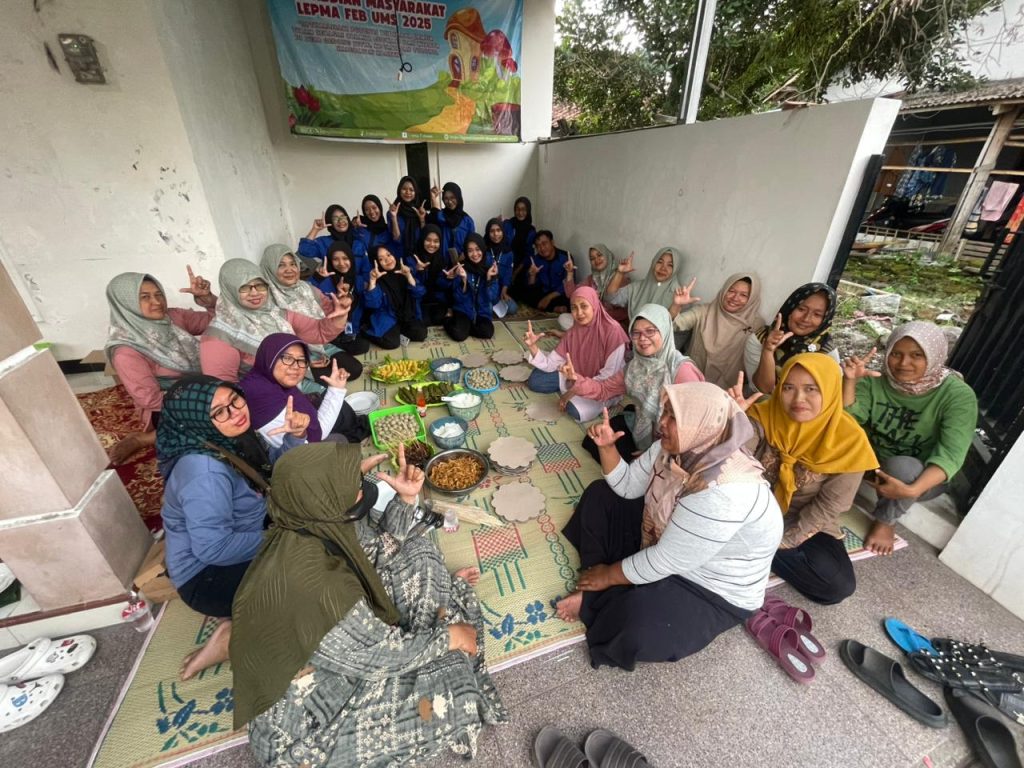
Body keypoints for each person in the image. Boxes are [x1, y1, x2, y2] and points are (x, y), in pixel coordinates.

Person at [231, 443, 508, 766]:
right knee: (453, 689)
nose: (361, 488)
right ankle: (437, 630)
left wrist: (406, 499)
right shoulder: (314, 590)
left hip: (348, 647)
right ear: (323, 499)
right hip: (310, 722)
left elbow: (376, 553)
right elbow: (381, 656)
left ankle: (431, 627)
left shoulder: (307, 523)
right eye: (347, 484)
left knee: (419, 552)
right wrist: (449, 638)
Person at [555, 385, 782, 671]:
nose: (662, 422)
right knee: (600, 496)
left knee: (636, 625)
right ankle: (602, 588)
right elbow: (628, 487)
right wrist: (607, 448)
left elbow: (666, 560)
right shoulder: (671, 447)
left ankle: (596, 592)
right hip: (666, 539)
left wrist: (608, 576)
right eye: (665, 411)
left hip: (709, 585)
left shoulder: (724, 491)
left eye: (674, 417)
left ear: (703, 424)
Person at [157, 375, 307, 680]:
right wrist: (283, 538)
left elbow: (272, 473)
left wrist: (295, 437)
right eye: (218, 412)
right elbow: (213, 548)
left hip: (247, 531)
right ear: (197, 421)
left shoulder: (230, 438)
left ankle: (239, 625)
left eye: (234, 400)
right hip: (206, 576)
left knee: (318, 518)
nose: (235, 412)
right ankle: (236, 641)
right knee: (314, 572)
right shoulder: (205, 472)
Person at [731, 354, 879, 605]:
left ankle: (748, 548)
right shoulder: (764, 414)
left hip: (801, 520)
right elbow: (733, 467)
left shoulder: (850, 441)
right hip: (750, 508)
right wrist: (734, 423)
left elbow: (828, 506)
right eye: (788, 388)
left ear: (830, 390)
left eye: (811, 389)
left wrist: (783, 541)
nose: (798, 399)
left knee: (837, 586)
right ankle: (745, 545)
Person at [843, 321, 978, 555]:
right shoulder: (875, 380)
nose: (903, 363)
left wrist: (912, 490)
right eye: (896, 354)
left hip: (917, 477)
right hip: (872, 463)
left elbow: (950, 455)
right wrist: (850, 381)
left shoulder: (957, 395)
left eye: (917, 355)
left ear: (935, 356)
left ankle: (885, 520)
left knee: (902, 467)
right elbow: (846, 421)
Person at [103, 268, 216, 464]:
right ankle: (145, 438)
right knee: (223, 418)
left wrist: (208, 299)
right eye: (145, 297)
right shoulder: (126, 351)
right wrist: (204, 400)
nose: (156, 302)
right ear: (126, 303)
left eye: (158, 295)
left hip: (203, 386)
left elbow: (218, 322)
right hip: (170, 405)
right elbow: (150, 399)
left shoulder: (173, 318)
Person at [576, 305, 705, 459]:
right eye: (636, 333)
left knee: (630, 461)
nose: (642, 338)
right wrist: (576, 380)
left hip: (673, 438)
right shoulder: (635, 365)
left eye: (650, 331)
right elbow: (605, 389)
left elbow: (692, 425)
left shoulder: (681, 370)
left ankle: (642, 462)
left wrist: (655, 452)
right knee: (594, 440)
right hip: (642, 423)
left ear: (664, 331)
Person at [200, 259, 350, 383]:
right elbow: (223, 389)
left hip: (297, 377)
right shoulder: (218, 335)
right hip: (265, 396)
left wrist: (339, 316)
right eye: (244, 287)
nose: (255, 292)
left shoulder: (276, 313)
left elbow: (317, 331)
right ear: (230, 290)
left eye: (260, 285)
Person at [240, 334, 369, 447]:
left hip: (302, 446)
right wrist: (336, 391)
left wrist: (336, 388)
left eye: (302, 360)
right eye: (287, 358)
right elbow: (311, 442)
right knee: (340, 439)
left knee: (343, 419)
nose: (296, 366)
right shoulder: (259, 393)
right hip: (293, 459)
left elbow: (317, 430)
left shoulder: (271, 381)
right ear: (269, 357)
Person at [522, 287, 629, 422]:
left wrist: (571, 392)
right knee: (535, 380)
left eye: (584, 306)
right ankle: (572, 387)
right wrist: (532, 346)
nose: (579, 313)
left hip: (602, 387)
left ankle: (610, 401)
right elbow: (551, 363)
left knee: (573, 409)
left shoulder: (613, 332)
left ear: (594, 305)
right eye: (574, 308)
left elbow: (607, 377)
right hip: (576, 375)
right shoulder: (575, 330)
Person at [260, 244, 363, 381]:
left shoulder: (305, 287)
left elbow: (328, 308)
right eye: (281, 265)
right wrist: (303, 360)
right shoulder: (267, 299)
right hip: (292, 354)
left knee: (354, 369)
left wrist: (340, 301)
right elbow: (271, 342)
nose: (289, 269)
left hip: (320, 343)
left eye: (293, 264)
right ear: (270, 268)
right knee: (328, 382)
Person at [672, 273, 764, 388]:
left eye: (744, 295)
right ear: (724, 290)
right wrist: (676, 305)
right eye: (731, 291)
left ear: (752, 299)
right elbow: (674, 325)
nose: (735, 298)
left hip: (726, 391)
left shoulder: (756, 325)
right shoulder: (704, 311)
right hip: (688, 379)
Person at [746, 282, 839, 395]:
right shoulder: (760, 338)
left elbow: (829, 395)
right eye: (801, 309)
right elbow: (762, 390)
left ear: (825, 319)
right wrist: (767, 351)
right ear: (790, 308)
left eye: (817, 314)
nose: (806, 319)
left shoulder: (827, 350)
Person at [306, 240, 372, 357]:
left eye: (345, 258)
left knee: (363, 345)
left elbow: (370, 302)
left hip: (351, 329)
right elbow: (305, 294)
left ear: (351, 259)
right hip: (329, 328)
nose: (341, 263)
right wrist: (317, 278)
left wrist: (350, 295)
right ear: (330, 260)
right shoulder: (323, 279)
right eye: (335, 259)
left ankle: (338, 346)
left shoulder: (358, 280)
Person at [362, 245, 428, 349]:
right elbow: (373, 304)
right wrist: (373, 281)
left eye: (388, 255)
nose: (387, 260)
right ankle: (365, 331)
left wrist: (408, 276)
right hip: (388, 316)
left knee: (421, 333)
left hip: (407, 315)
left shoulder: (403, 271)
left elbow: (420, 293)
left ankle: (398, 331)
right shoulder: (377, 279)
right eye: (381, 259)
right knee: (392, 343)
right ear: (376, 263)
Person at [442, 233, 500, 341]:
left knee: (487, 332)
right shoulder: (461, 268)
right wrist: (464, 281)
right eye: (470, 251)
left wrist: (489, 279)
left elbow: (492, 298)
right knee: (459, 335)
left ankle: (466, 328)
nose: (475, 254)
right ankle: (448, 319)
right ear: (466, 252)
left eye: (477, 249)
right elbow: (458, 298)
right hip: (464, 310)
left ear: (483, 248)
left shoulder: (491, 267)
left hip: (482, 312)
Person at [605, 247, 688, 321]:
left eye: (670, 265)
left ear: (675, 270)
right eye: (660, 262)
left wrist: (675, 306)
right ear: (653, 263)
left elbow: (671, 326)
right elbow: (611, 298)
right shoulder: (638, 287)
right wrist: (620, 273)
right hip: (633, 332)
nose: (663, 268)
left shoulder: (678, 295)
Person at [564, 244, 629, 326]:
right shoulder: (591, 279)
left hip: (612, 323)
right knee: (564, 318)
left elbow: (623, 311)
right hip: (592, 320)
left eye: (599, 255)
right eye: (592, 258)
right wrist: (570, 272)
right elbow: (572, 294)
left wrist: (597, 308)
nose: (596, 260)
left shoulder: (619, 277)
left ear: (607, 256)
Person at [296, 204, 370, 275]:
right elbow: (304, 250)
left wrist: (359, 229)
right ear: (330, 222)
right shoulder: (324, 243)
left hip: (357, 282)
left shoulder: (358, 241)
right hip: (333, 282)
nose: (340, 221)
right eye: (335, 218)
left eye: (343, 217)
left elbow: (366, 268)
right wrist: (315, 229)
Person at [407, 223, 450, 325]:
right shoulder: (412, 258)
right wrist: (415, 269)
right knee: (423, 322)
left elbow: (441, 285)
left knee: (438, 320)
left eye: (436, 241)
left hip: (435, 299)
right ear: (422, 239)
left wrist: (448, 278)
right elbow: (412, 288)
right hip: (418, 299)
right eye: (428, 240)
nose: (431, 244)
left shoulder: (441, 259)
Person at [520, 230, 570, 313]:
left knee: (572, 298)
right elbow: (531, 287)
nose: (542, 248)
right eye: (538, 246)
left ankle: (548, 307)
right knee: (525, 294)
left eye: (544, 243)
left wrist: (548, 298)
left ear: (552, 242)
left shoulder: (566, 259)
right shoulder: (536, 260)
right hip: (543, 292)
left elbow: (568, 284)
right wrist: (532, 275)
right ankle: (554, 308)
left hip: (559, 294)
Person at [429, 181, 475, 255]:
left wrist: (464, 256)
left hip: (461, 261)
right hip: (441, 261)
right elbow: (432, 222)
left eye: (452, 198)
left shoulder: (467, 221)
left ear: (458, 197)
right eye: (446, 198)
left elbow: (472, 243)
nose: (449, 202)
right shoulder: (440, 216)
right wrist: (434, 198)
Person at [388, 175, 428, 259]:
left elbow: (425, 237)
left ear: (415, 192)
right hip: (400, 256)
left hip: (419, 256)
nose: (407, 192)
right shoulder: (393, 212)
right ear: (399, 190)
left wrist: (422, 219)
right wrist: (394, 217)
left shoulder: (420, 211)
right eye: (404, 189)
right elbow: (396, 239)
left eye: (411, 190)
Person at [483, 216, 517, 316]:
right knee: (488, 308)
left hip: (500, 291)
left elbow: (508, 273)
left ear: (503, 231)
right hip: (486, 289)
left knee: (513, 308)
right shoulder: (483, 250)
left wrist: (504, 291)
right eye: (492, 231)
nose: (496, 234)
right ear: (487, 233)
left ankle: (491, 307)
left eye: (498, 230)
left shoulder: (508, 252)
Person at [502, 195, 536, 278]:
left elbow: (529, 254)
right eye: (518, 209)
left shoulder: (531, 230)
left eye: (523, 209)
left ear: (528, 210)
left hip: (522, 268)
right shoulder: (508, 224)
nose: (520, 213)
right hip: (505, 264)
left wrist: (515, 273)